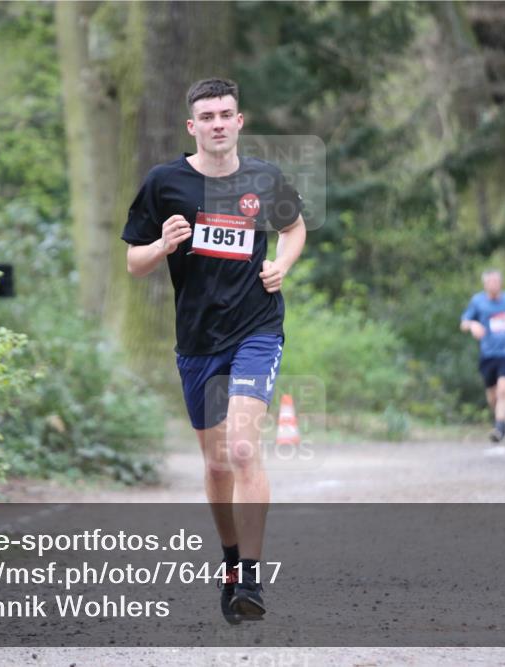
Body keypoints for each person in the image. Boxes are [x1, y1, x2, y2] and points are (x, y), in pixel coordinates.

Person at [121, 78, 306, 623]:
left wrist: (282, 265)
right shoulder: (165, 183)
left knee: (244, 450)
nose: (219, 123)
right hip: (197, 342)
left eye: (227, 114)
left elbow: (293, 229)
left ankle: (251, 577)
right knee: (217, 462)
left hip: (257, 329)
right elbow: (134, 262)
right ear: (193, 126)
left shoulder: (263, 178)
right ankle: (229, 563)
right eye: (208, 116)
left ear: (240, 121)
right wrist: (163, 244)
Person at [460, 269, 505, 442]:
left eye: (496, 281)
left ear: (501, 283)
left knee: (504, 389)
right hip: (488, 354)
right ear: (485, 284)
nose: (493, 285)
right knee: (493, 396)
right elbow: (463, 323)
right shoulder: (478, 301)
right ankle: (503, 416)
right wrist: (473, 325)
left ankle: (499, 428)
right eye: (490, 282)